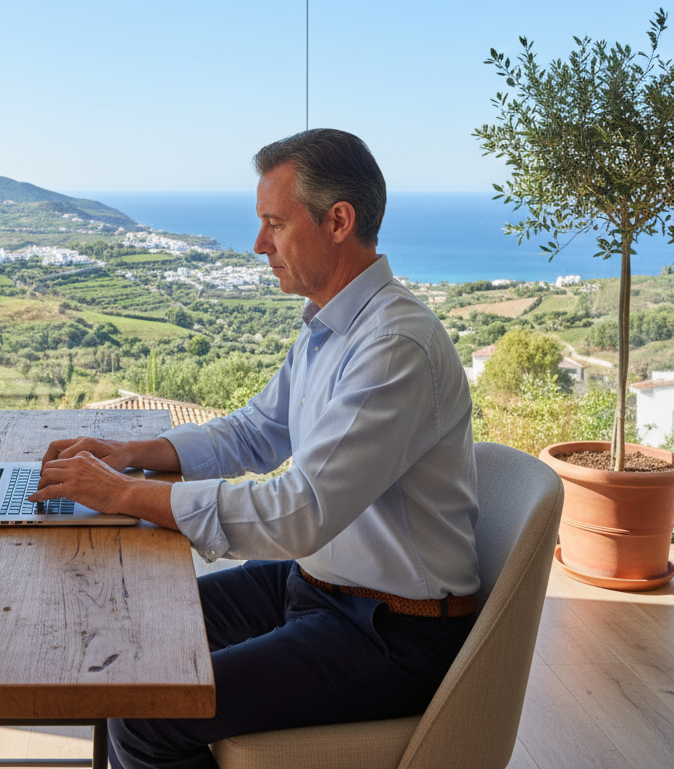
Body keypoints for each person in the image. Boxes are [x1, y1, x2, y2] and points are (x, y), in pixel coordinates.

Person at [29, 129, 480, 769]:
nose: (259, 244)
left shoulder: (393, 348)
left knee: (148, 714)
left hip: (389, 631)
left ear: (338, 222)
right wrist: (130, 452)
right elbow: (253, 433)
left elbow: (301, 512)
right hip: (321, 585)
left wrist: (127, 495)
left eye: (274, 223)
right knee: (128, 636)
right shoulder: (329, 332)